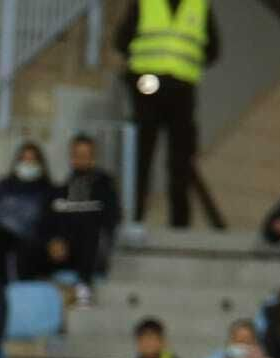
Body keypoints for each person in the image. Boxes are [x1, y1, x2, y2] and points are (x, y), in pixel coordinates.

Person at [116, 0, 220, 230]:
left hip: (181, 89)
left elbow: (213, 50)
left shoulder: (199, 5)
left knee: (180, 160)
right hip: (148, 88)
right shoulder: (146, 3)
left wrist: (188, 64)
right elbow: (122, 40)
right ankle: (134, 217)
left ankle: (179, 224)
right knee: (142, 157)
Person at [0, 142, 59, 282]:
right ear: (17, 162)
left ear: (40, 164)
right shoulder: (2, 185)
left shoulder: (48, 190)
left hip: (28, 240)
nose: (28, 163)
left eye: (32, 160)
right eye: (24, 159)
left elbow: (49, 223)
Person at [51, 135, 122, 301]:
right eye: (77, 155)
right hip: (64, 249)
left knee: (89, 230)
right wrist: (54, 240)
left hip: (93, 249)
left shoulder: (105, 185)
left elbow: (111, 218)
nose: (81, 159)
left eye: (85, 155)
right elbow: (53, 218)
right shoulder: (62, 187)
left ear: (93, 157)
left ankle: (84, 286)